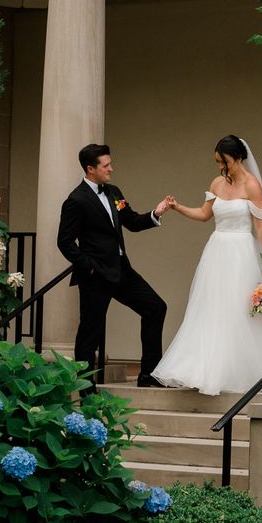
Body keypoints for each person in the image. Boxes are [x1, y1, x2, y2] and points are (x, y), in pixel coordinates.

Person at [152, 135, 262, 396]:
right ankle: (204, 369)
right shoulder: (216, 183)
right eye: (217, 162)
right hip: (216, 251)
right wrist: (176, 207)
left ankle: (241, 370)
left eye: (224, 161)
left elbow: (261, 226)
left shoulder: (252, 185)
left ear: (238, 158)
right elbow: (204, 215)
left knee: (238, 309)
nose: (221, 167)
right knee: (210, 307)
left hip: (241, 252)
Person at [57, 143, 169, 390]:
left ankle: (148, 374)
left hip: (121, 269)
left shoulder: (114, 192)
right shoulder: (76, 200)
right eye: (106, 165)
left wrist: (156, 213)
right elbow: (64, 242)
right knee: (90, 332)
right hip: (95, 275)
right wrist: (90, 267)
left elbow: (132, 221)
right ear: (90, 169)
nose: (111, 169)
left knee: (155, 308)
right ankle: (86, 390)